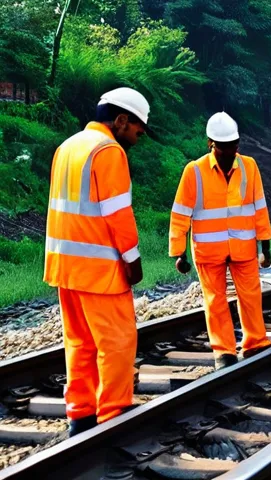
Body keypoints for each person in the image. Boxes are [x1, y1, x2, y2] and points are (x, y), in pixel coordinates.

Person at [44, 87, 149, 436]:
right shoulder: (108, 151)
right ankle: (113, 415)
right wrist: (132, 260)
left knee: (79, 342)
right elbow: (117, 213)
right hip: (100, 270)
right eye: (137, 128)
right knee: (117, 343)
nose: (140, 135)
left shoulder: (67, 147)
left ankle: (81, 414)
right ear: (120, 120)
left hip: (65, 267)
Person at [169, 112, 271, 370]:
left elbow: (259, 207)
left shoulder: (249, 166)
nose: (229, 152)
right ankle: (224, 352)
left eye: (234, 145)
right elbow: (180, 213)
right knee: (215, 301)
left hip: (244, 246)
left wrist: (266, 245)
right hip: (208, 249)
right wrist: (178, 252)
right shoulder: (194, 171)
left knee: (250, 295)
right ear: (210, 144)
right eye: (223, 147)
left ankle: (255, 343)